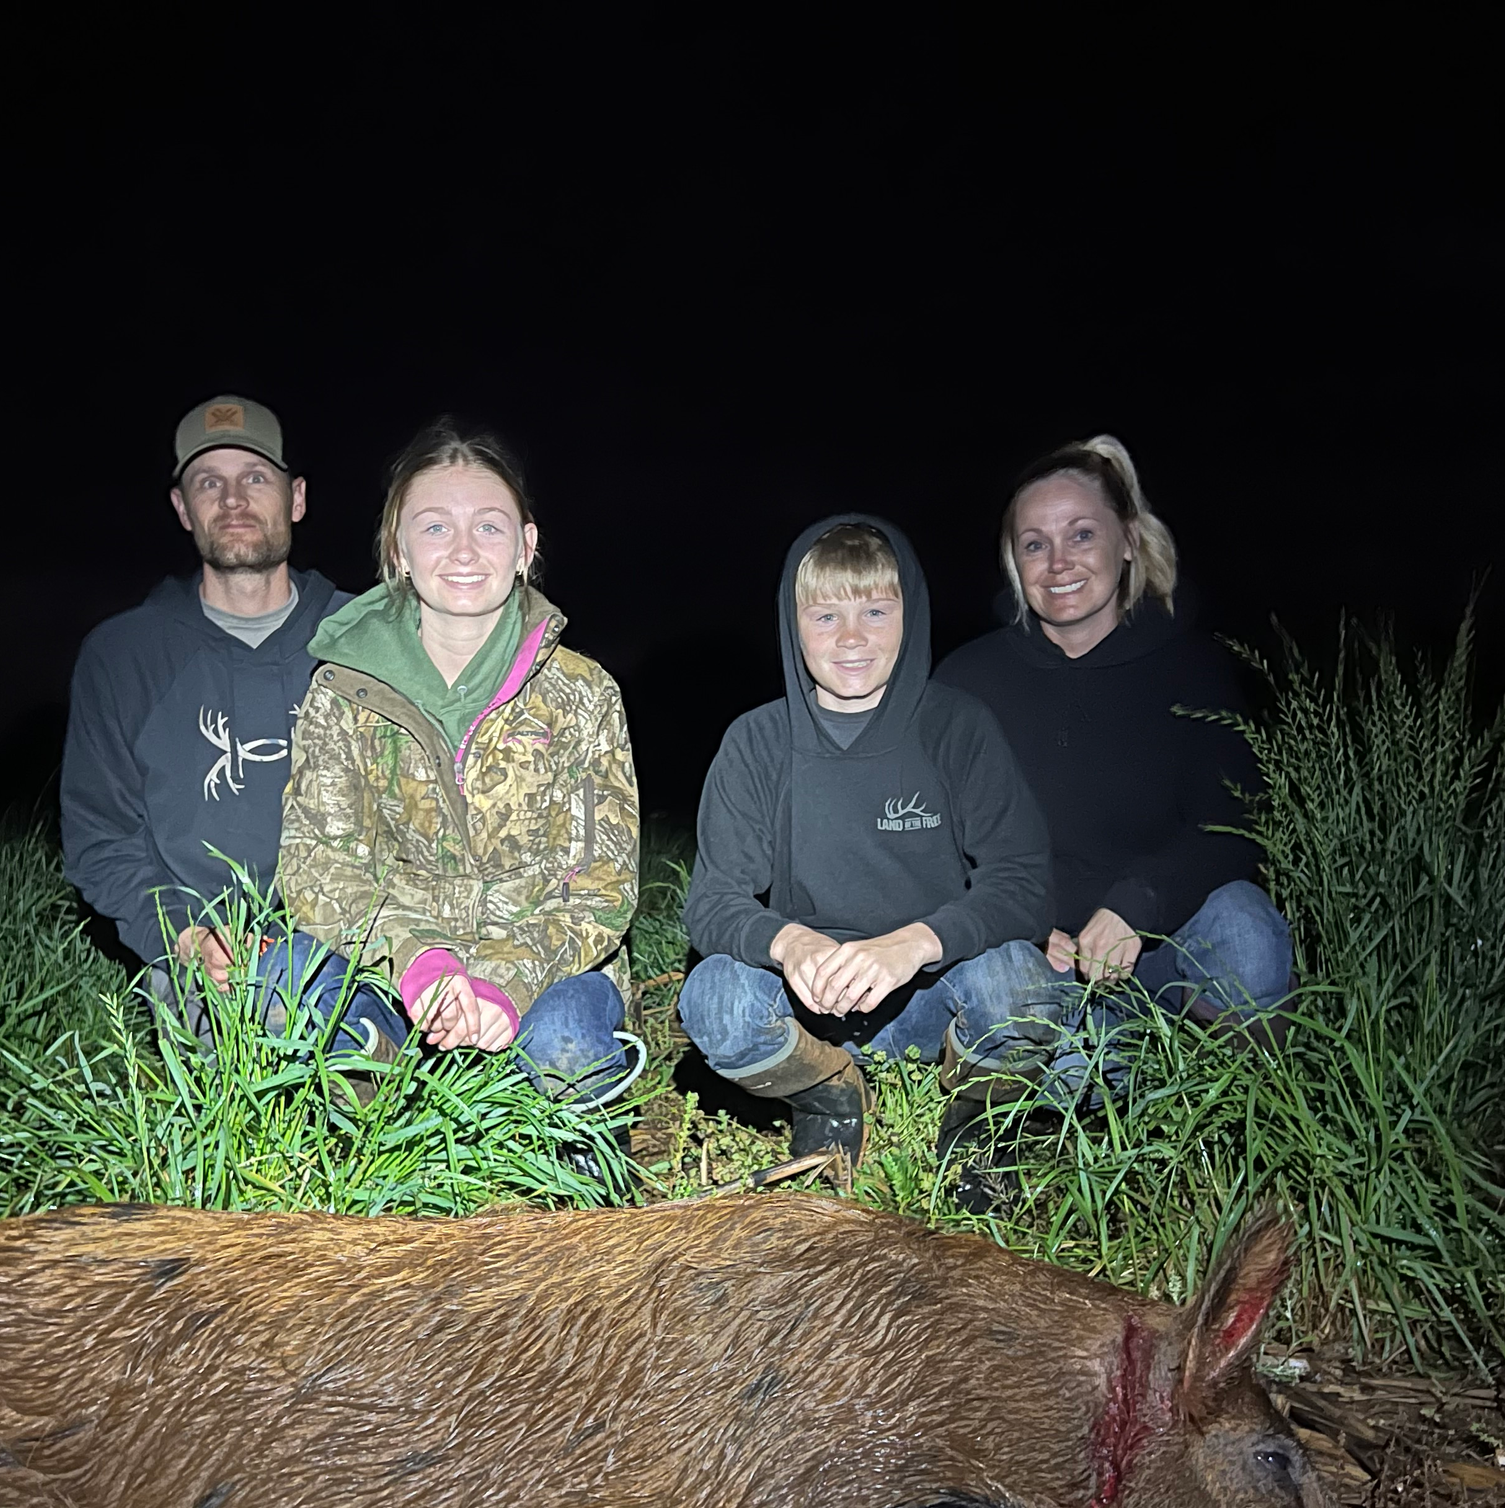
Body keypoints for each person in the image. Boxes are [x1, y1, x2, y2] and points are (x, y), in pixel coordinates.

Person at [272, 420, 639, 1110]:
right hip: (397, 970)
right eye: (436, 526)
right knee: (284, 982)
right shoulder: (341, 690)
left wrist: (503, 982)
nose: (464, 549)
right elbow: (316, 865)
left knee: (567, 1042)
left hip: (542, 972)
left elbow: (601, 888)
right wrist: (417, 960)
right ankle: (386, 1126)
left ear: (526, 547)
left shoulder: (584, 692)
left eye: (489, 527)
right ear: (398, 550)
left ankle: (561, 1150)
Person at [680, 517, 1056, 1186]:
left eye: (876, 611)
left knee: (1019, 983)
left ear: (910, 614)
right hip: (809, 1009)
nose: (851, 637)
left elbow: (1024, 884)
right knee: (714, 998)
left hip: (933, 997)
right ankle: (827, 1095)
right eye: (825, 615)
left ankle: (976, 1119)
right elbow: (712, 902)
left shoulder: (958, 726)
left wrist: (913, 944)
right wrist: (791, 943)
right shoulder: (755, 741)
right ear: (793, 624)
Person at [935, 436, 1291, 1077]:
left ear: (1127, 540)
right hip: (1038, 958)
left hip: (1163, 942)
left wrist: (1139, 904)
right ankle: (1096, 1068)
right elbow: (935, 840)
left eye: (1081, 535)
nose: (1058, 563)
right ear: (1014, 561)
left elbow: (1233, 827)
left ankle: (1243, 1099)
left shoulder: (1195, 667)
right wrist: (1018, 924)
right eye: (1034, 544)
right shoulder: (967, 681)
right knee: (1065, 1051)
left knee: (1246, 928)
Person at [60, 396, 353, 1021]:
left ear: (297, 498)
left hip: (359, 944)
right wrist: (181, 934)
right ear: (182, 508)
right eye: (208, 483)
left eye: (256, 478)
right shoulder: (122, 657)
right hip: (206, 960)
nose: (233, 500)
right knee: (254, 1034)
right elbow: (101, 838)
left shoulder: (365, 638)